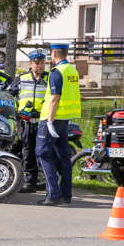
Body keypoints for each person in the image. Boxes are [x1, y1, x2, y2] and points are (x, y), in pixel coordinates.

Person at [36, 43, 80, 206]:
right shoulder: (72, 71)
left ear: (54, 53)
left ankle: (54, 195)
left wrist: (49, 121)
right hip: (65, 119)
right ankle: (66, 194)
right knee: (63, 156)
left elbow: (55, 97)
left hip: (53, 118)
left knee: (42, 153)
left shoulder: (56, 72)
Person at [8, 49, 50, 193]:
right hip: (25, 122)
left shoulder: (51, 78)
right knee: (28, 153)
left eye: (42, 63)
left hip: (43, 122)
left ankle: (49, 183)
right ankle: (30, 183)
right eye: (36, 63)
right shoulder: (21, 78)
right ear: (30, 64)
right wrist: (16, 111)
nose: (39, 66)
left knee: (44, 153)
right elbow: (9, 96)